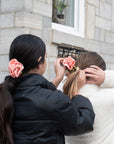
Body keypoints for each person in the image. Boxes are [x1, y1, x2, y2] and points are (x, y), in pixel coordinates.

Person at [0, 34, 95, 144]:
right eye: (46, 57)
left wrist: (58, 78)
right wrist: (76, 92)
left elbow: (35, 94)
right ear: (39, 62)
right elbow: (83, 123)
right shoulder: (54, 100)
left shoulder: (6, 91)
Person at [61, 51, 114, 144]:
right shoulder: (108, 98)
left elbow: (63, 84)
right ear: (100, 72)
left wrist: (61, 76)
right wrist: (106, 77)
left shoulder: (61, 95)